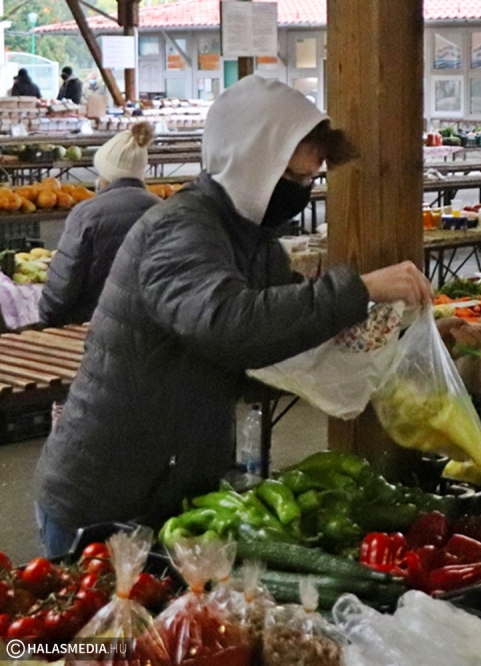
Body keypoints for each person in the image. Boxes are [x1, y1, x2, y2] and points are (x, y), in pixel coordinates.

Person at [34, 76, 433, 556]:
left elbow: (290, 328)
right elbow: (226, 322)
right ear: (251, 163)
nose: (301, 192)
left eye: (310, 181)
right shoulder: (180, 230)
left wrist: (401, 331)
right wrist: (361, 288)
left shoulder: (255, 243)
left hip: (173, 483)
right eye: (292, 179)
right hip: (106, 494)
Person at [39, 123, 161, 327]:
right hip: (148, 324)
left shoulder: (86, 214)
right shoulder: (163, 210)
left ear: (105, 172)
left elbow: (64, 282)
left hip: (91, 323)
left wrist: (46, 318)